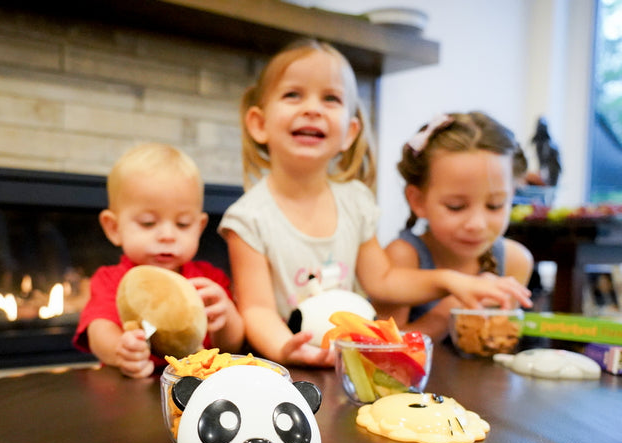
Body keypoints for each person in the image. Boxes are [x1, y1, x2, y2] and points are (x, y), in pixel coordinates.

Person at [218, 39, 532, 367]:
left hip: (351, 363)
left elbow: (383, 281)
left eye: (331, 98)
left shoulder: (356, 201)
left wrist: (449, 280)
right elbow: (257, 309)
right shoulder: (248, 218)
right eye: (293, 94)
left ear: (350, 132)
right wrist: (285, 348)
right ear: (258, 123)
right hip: (288, 363)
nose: (312, 108)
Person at [73, 143, 244, 378]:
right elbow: (98, 331)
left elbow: (231, 347)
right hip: (132, 390)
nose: (167, 235)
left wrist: (227, 318)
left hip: (196, 388)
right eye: (148, 223)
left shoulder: (209, 280)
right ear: (114, 228)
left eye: (183, 224)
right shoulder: (111, 279)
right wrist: (121, 350)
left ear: (199, 227)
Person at [372, 111, 535, 342]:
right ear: (418, 200)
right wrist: (449, 311)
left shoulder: (515, 260)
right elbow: (382, 348)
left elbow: (500, 343)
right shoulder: (403, 258)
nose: (476, 225)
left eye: (495, 205)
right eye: (456, 206)